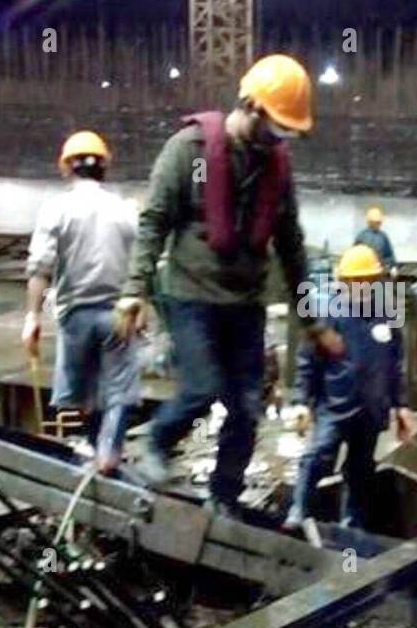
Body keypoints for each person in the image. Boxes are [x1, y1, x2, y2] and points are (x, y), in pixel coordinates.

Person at [116, 54, 315, 513]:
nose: (277, 139)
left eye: (286, 132)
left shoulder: (276, 168)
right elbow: (154, 222)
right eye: (274, 127)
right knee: (202, 387)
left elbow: (291, 244)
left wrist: (310, 317)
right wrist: (133, 290)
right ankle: (157, 445)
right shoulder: (189, 150)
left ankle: (223, 498)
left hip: (246, 303)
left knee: (247, 409)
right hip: (190, 296)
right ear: (249, 106)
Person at [24, 130, 140, 476]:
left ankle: (97, 450)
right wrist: (142, 307)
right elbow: (143, 265)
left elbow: (40, 266)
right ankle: (109, 453)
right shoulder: (124, 210)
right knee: (119, 387)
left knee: (83, 393)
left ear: (66, 168)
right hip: (118, 314)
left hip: (75, 316)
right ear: (104, 168)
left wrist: (31, 316)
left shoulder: (56, 209)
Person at [284, 246, 413, 530]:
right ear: (343, 283)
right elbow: (307, 360)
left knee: (360, 470)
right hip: (335, 405)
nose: (363, 287)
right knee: (317, 455)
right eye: (356, 281)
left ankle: (352, 523)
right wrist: (301, 401)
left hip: (370, 410)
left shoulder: (387, 316)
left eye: (368, 280)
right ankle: (298, 509)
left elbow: (396, 365)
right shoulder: (329, 314)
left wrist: (401, 406)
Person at [354, 204, 396, 272]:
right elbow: (353, 254)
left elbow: (389, 255)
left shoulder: (383, 236)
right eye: (375, 222)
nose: (378, 224)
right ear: (369, 222)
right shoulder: (361, 236)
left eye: (379, 222)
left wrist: (392, 266)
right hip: (363, 269)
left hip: (378, 269)